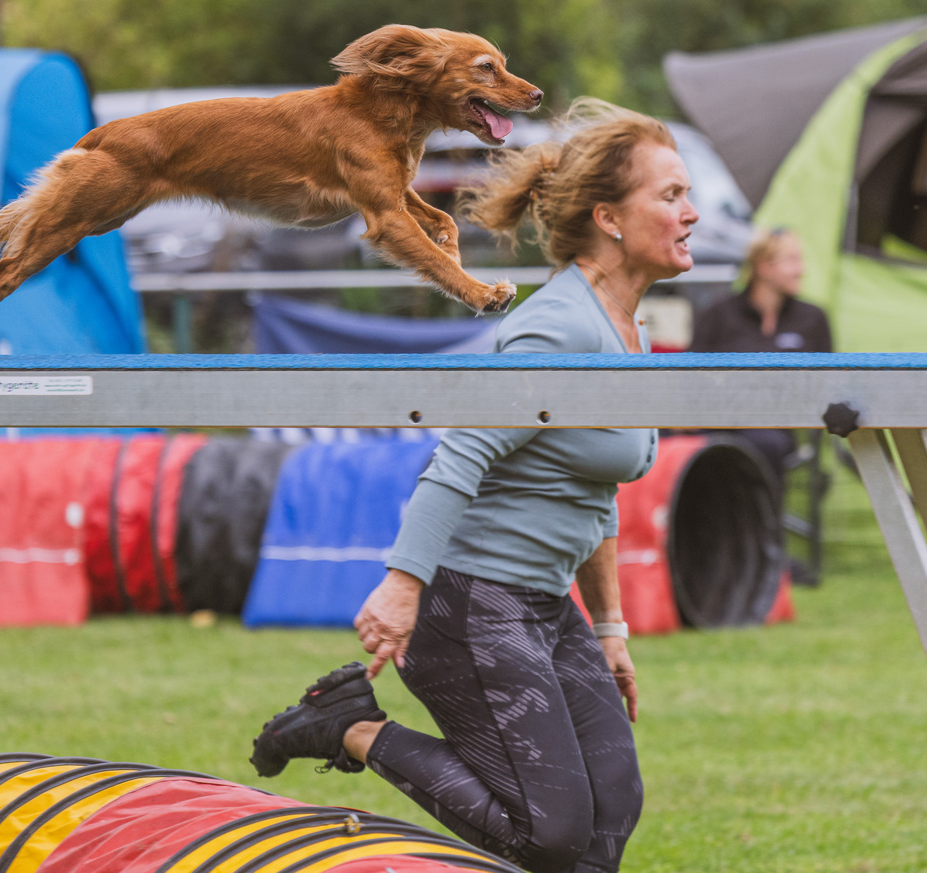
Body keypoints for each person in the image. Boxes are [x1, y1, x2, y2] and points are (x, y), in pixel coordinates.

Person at [249, 99, 699, 873]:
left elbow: (591, 491)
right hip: (469, 602)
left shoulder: (630, 332)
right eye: (670, 196)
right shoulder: (556, 328)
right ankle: (348, 727)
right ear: (610, 219)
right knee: (552, 834)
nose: (691, 213)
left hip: (544, 603)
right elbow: (458, 457)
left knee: (610, 815)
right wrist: (401, 585)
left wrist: (610, 626)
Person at [688, 227, 832, 490]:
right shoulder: (718, 315)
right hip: (717, 422)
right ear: (763, 266)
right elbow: (690, 377)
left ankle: (758, 529)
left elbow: (827, 383)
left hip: (777, 426)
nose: (801, 269)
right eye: (792, 260)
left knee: (765, 444)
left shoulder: (812, 319)